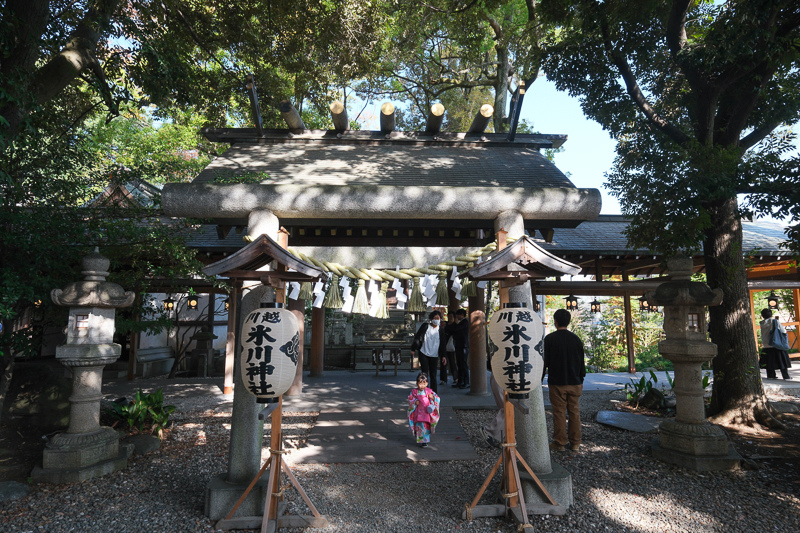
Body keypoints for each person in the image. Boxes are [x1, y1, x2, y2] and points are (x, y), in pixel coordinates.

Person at [542, 308, 586, 452]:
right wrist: (581, 379)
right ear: (568, 321)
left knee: (559, 413)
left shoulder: (549, 339)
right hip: (575, 381)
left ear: (555, 322)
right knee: (574, 412)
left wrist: (539, 379)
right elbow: (581, 362)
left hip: (557, 382)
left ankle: (560, 443)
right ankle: (575, 443)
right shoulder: (576, 339)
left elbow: (544, 362)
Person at [410, 310, 446, 393]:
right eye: (435, 318)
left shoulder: (440, 330)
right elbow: (418, 337)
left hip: (435, 354)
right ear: (431, 319)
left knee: (433, 374)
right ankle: (424, 390)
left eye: (438, 318)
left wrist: (443, 355)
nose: (437, 320)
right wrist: (413, 348)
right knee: (424, 373)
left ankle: (434, 392)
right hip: (424, 352)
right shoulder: (425, 326)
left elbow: (443, 343)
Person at [407, 372, 440, 448]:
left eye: (424, 383)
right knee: (419, 426)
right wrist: (415, 401)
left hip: (426, 412)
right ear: (416, 383)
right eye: (420, 383)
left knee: (426, 426)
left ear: (427, 383)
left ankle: (425, 441)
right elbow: (410, 398)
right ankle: (421, 440)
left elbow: (437, 398)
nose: (422, 385)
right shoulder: (414, 392)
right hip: (418, 412)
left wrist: (433, 398)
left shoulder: (429, 391)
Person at [760, 308, 792, 380]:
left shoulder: (762, 323)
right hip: (776, 344)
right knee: (782, 362)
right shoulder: (775, 321)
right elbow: (783, 331)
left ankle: (771, 375)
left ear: (762, 316)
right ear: (771, 314)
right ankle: (786, 376)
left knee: (769, 362)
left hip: (766, 345)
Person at [445, 308, 470, 388]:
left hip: (463, 346)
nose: (457, 316)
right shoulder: (461, 323)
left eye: (458, 315)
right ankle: (460, 381)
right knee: (459, 364)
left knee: (463, 364)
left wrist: (449, 325)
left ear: (462, 315)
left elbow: (456, 329)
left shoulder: (465, 322)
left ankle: (466, 382)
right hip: (459, 346)